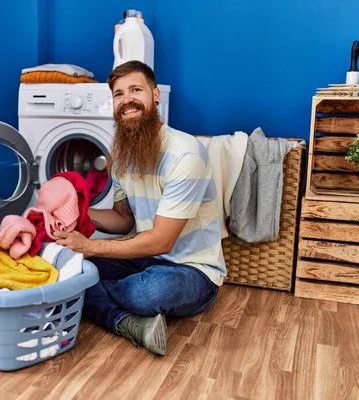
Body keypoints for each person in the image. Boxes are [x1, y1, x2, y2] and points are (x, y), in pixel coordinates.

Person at [54, 60, 226, 356]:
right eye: (119, 94)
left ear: (155, 95)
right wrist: (79, 212)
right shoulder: (121, 155)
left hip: (193, 270)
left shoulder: (185, 155)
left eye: (136, 89)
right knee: (65, 263)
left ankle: (101, 297)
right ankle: (126, 322)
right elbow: (123, 220)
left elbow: (162, 240)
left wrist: (91, 248)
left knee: (148, 292)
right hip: (144, 257)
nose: (127, 100)